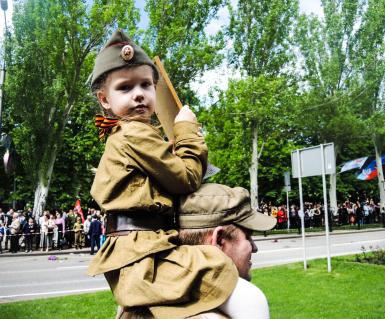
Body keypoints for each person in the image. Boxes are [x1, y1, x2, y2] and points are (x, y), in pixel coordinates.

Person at [87, 29, 251, 319]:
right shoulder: (135, 132)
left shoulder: (128, 135)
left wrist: (170, 151)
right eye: (125, 88)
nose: (139, 94)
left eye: (146, 85)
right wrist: (186, 129)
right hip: (146, 255)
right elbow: (187, 179)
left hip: (143, 250)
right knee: (244, 295)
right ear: (105, 100)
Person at [117, 183, 277, 319]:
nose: (254, 247)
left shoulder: (132, 303)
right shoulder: (239, 307)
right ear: (219, 240)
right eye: (248, 237)